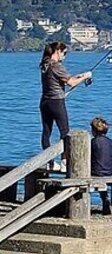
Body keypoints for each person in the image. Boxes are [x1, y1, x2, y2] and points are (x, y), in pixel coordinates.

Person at [39, 41, 92, 171]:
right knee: (65, 131)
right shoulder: (57, 66)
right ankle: (64, 162)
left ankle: (50, 162)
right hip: (57, 103)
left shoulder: (45, 65)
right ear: (57, 51)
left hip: (45, 102)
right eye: (64, 53)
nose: (65, 56)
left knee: (46, 132)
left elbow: (59, 80)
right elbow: (71, 83)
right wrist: (86, 76)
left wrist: (79, 76)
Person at [91, 116, 112, 215]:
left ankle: (105, 199)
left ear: (94, 130)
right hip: (109, 172)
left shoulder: (93, 142)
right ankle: (106, 201)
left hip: (97, 172)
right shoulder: (110, 142)